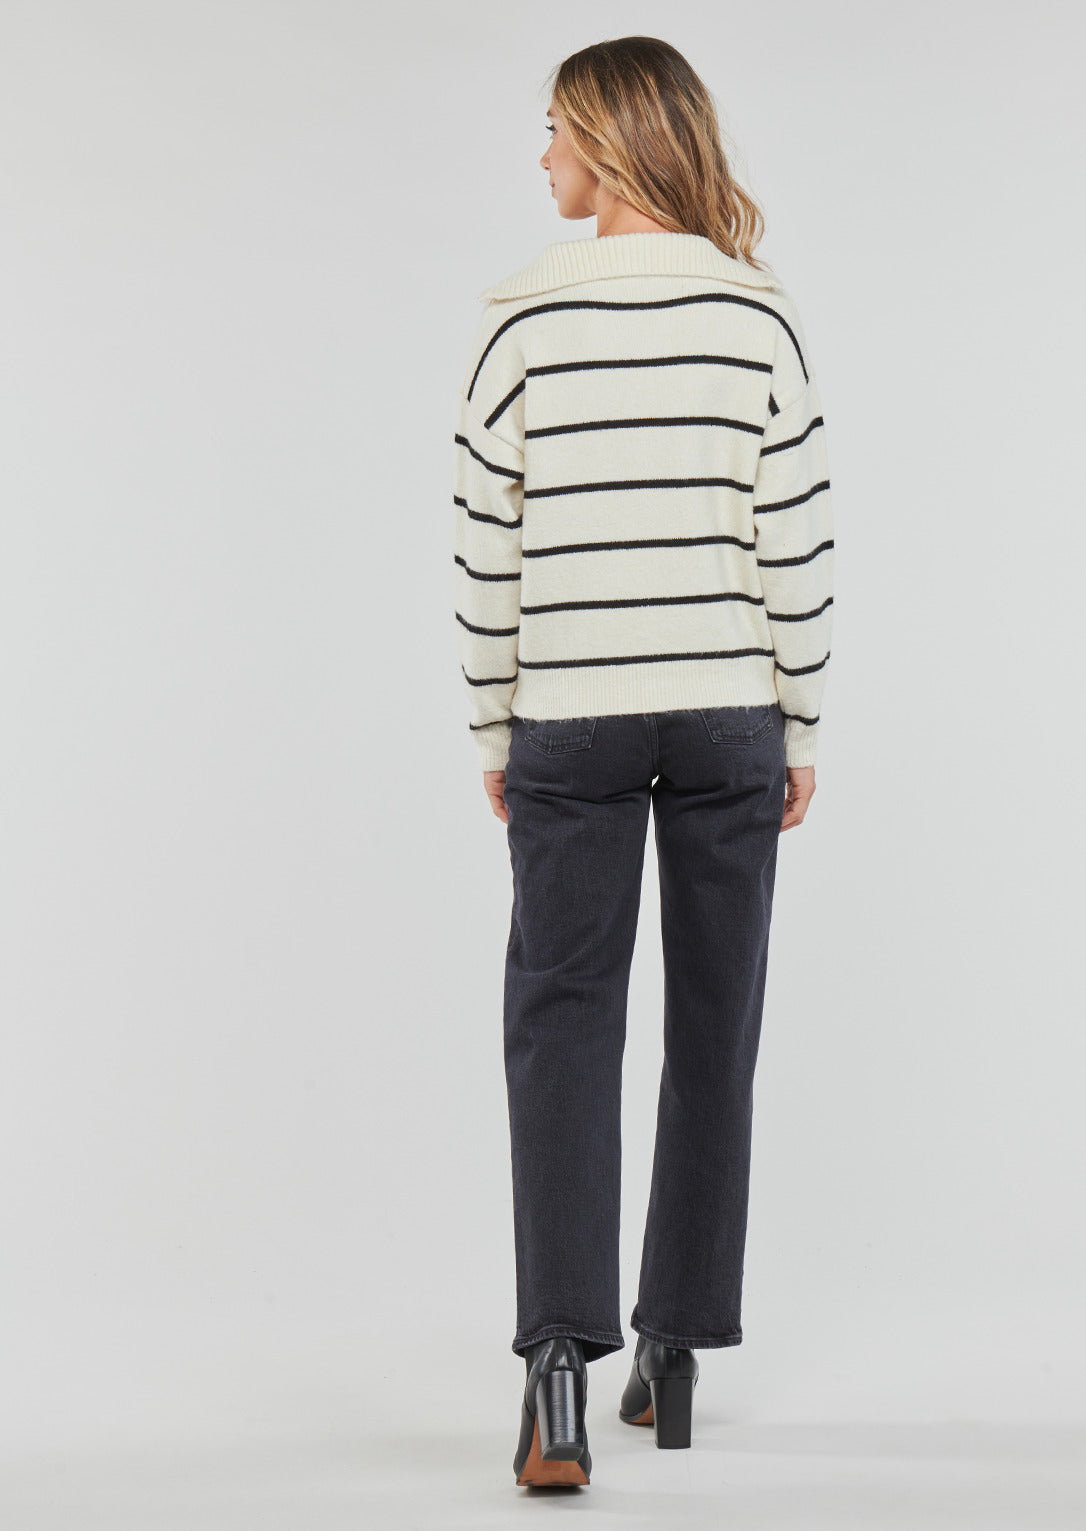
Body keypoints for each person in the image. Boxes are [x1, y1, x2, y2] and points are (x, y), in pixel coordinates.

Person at [450, 36, 835, 1488]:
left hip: (575, 709)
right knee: (715, 1020)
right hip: (729, 706)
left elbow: (487, 549)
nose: (542, 155)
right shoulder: (758, 320)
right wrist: (802, 720)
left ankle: (558, 1368)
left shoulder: (521, 323)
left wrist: (495, 723)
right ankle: (672, 1349)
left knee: (562, 1022)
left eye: (556, 128)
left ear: (612, 142)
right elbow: (795, 540)